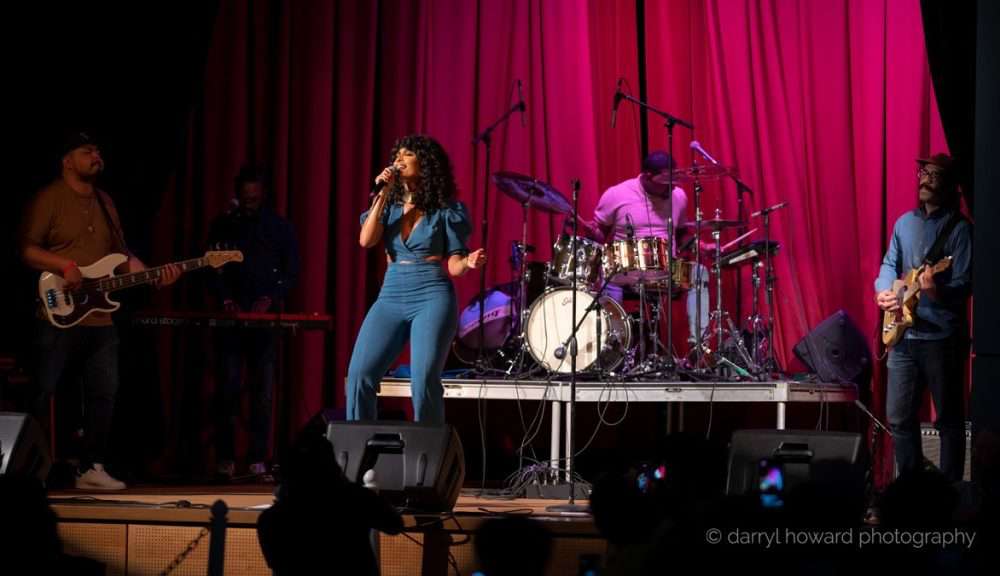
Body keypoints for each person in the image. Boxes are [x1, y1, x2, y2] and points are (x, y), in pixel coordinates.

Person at [19, 131, 180, 490]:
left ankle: (91, 467)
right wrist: (64, 265)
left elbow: (120, 256)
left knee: (104, 391)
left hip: (100, 317)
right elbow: (27, 250)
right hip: (58, 312)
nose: (96, 155)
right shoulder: (50, 198)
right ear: (67, 161)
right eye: (86, 150)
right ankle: (31, 469)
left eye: (97, 150)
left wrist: (152, 275)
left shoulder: (105, 201)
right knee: (45, 391)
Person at [347, 134, 486, 424]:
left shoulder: (446, 210)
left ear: (425, 164)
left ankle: (429, 448)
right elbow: (366, 240)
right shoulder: (389, 205)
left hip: (431, 295)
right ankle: (358, 447)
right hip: (391, 294)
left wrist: (468, 262)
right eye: (397, 154)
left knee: (423, 381)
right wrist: (383, 193)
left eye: (407, 154)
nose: (399, 159)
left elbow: (454, 265)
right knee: (359, 375)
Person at [875, 153, 971, 483]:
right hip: (904, 337)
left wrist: (936, 292)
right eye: (923, 172)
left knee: (949, 422)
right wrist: (883, 291)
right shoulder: (904, 223)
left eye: (935, 174)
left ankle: (949, 495)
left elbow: (965, 282)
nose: (926, 179)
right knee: (899, 419)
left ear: (950, 185)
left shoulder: (960, 230)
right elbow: (890, 264)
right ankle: (911, 491)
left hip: (941, 339)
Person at [207, 164, 300, 480]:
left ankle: (258, 458)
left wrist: (270, 299)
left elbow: (291, 273)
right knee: (228, 388)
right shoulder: (223, 225)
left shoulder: (279, 228)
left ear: (263, 195)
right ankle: (225, 458)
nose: (249, 203)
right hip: (231, 319)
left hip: (264, 321)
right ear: (238, 194)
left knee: (263, 392)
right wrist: (224, 299)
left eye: (254, 198)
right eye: (245, 198)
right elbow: (211, 268)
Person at [583, 150, 710, 343]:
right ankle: (615, 342)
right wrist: (591, 231)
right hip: (626, 268)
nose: (671, 188)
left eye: (673, 182)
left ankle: (698, 344)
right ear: (648, 177)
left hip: (666, 267)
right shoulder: (617, 194)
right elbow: (601, 233)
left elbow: (682, 234)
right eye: (665, 183)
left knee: (699, 273)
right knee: (607, 275)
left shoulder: (678, 196)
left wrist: (701, 245)